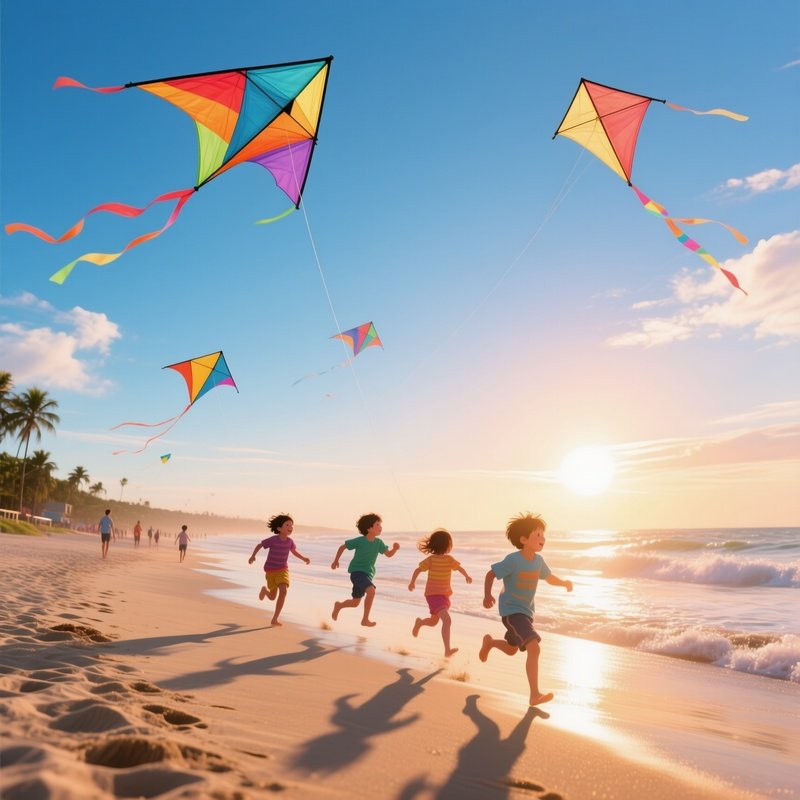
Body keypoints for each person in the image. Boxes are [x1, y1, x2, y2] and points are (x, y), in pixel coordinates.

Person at [480, 512, 573, 707]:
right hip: (512, 612)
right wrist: (487, 595)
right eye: (537, 535)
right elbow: (491, 574)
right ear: (523, 539)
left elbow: (549, 577)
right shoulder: (513, 560)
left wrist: (563, 583)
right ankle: (534, 695)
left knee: (512, 649)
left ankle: (489, 643)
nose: (542, 539)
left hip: (526, 613)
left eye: (542, 535)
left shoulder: (538, 561)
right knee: (534, 647)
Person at [408, 528, 472, 657]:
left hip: (444, 595)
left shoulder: (449, 560)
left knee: (433, 622)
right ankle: (447, 650)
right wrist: (412, 582)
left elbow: (459, 568)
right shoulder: (431, 560)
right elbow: (418, 570)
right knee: (447, 621)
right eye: (449, 543)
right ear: (445, 545)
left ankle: (420, 623)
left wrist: (467, 576)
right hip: (433, 595)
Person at [331, 513, 399, 627]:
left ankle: (339, 605)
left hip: (368, 575)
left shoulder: (379, 543)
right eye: (377, 524)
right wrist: (336, 560)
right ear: (369, 528)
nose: (380, 527)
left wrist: (395, 549)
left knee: (355, 603)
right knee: (371, 591)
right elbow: (343, 547)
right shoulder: (360, 541)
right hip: (357, 572)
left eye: (380, 524)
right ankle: (365, 619)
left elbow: (388, 554)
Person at [248, 514, 310, 627]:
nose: (290, 527)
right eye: (287, 524)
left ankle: (275, 618)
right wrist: (253, 556)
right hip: (271, 570)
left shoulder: (290, 541)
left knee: (283, 590)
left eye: (291, 525)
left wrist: (304, 558)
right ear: (279, 528)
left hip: (283, 570)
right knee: (272, 597)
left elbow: (294, 552)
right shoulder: (273, 540)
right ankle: (265, 590)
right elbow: (260, 545)